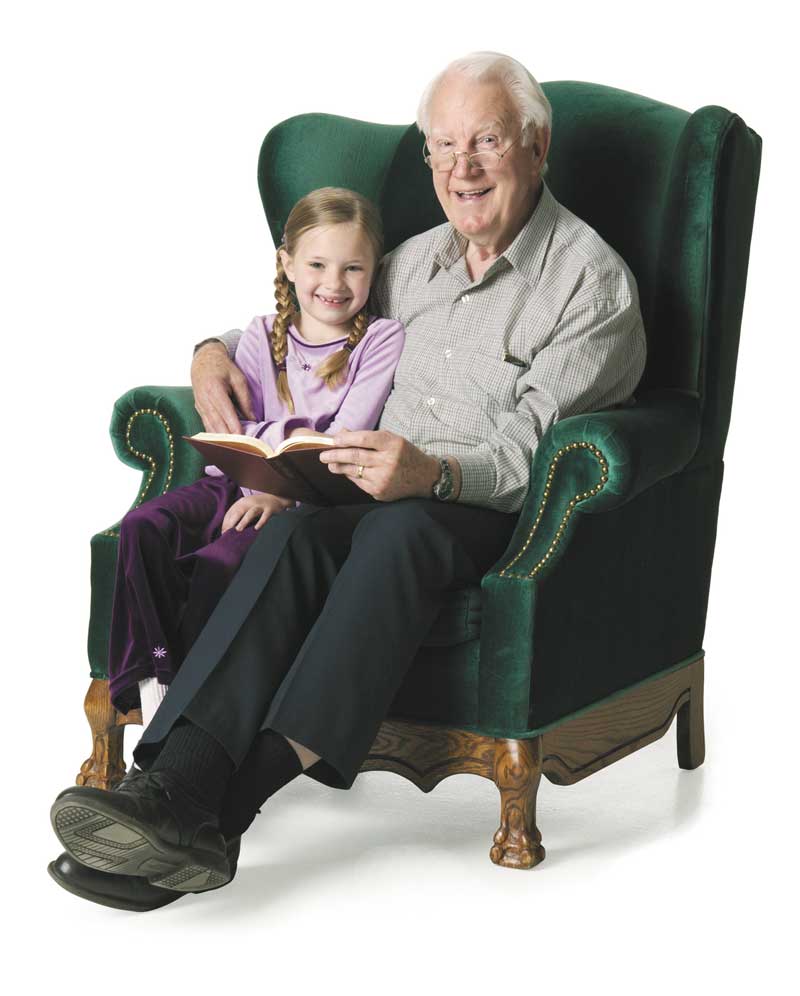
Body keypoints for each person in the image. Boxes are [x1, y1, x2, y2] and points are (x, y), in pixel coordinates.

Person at [49, 50, 647, 910]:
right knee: (290, 531)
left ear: (536, 145)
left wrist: (431, 472)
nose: (461, 168)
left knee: (401, 529)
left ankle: (217, 812)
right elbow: (315, 318)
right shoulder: (411, 263)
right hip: (366, 493)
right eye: (443, 147)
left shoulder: (589, 283)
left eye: (485, 141)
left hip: (485, 509)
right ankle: (167, 789)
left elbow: (530, 458)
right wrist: (212, 349)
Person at [106, 186, 405, 727]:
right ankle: (156, 681)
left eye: (353, 268)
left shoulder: (379, 340)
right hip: (235, 481)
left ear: (374, 271)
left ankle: (199, 712)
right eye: (317, 264)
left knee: (220, 563)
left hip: (302, 497)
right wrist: (255, 470)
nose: (333, 284)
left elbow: (343, 435)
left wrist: (277, 489)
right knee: (143, 526)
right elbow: (237, 429)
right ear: (286, 264)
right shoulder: (258, 336)